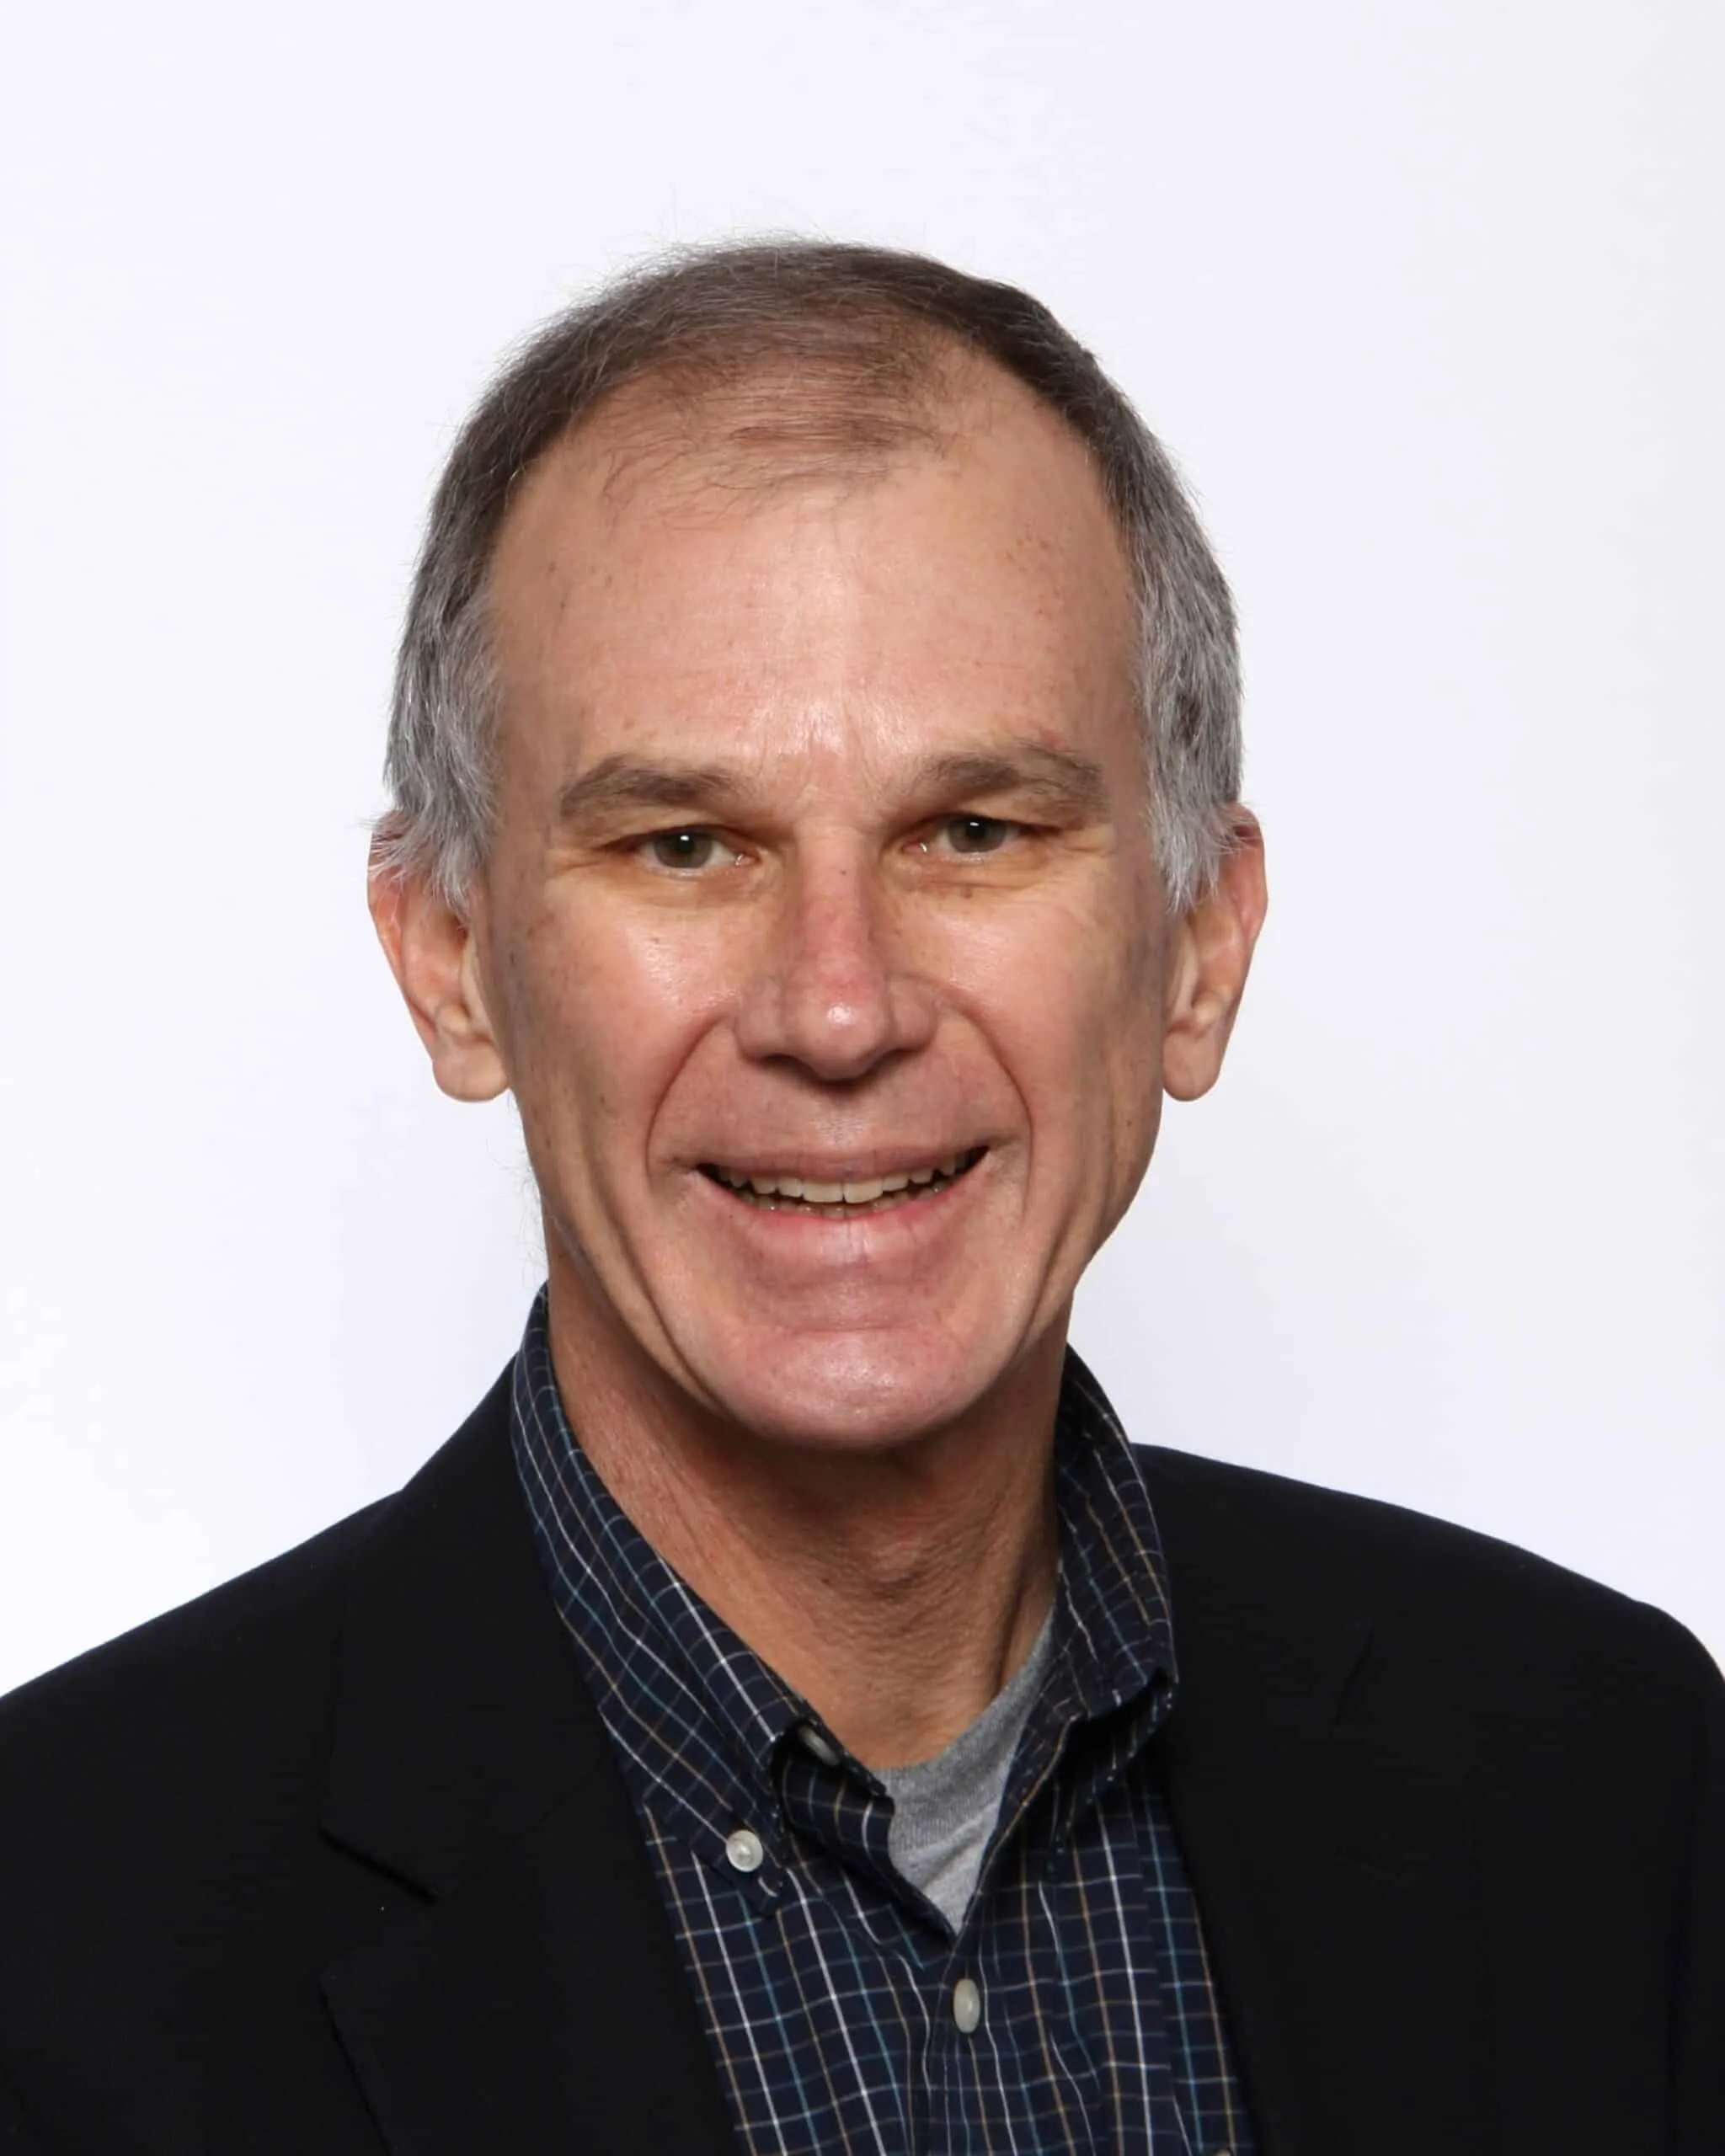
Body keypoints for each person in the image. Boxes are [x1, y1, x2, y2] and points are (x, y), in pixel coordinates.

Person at [0, 243, 1718, 2156]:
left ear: (1197, 946)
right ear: (453, 960)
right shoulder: (51, 1940)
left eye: (972, 829)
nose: (838, 1006)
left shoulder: (1607, 1782)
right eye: (684, 842)